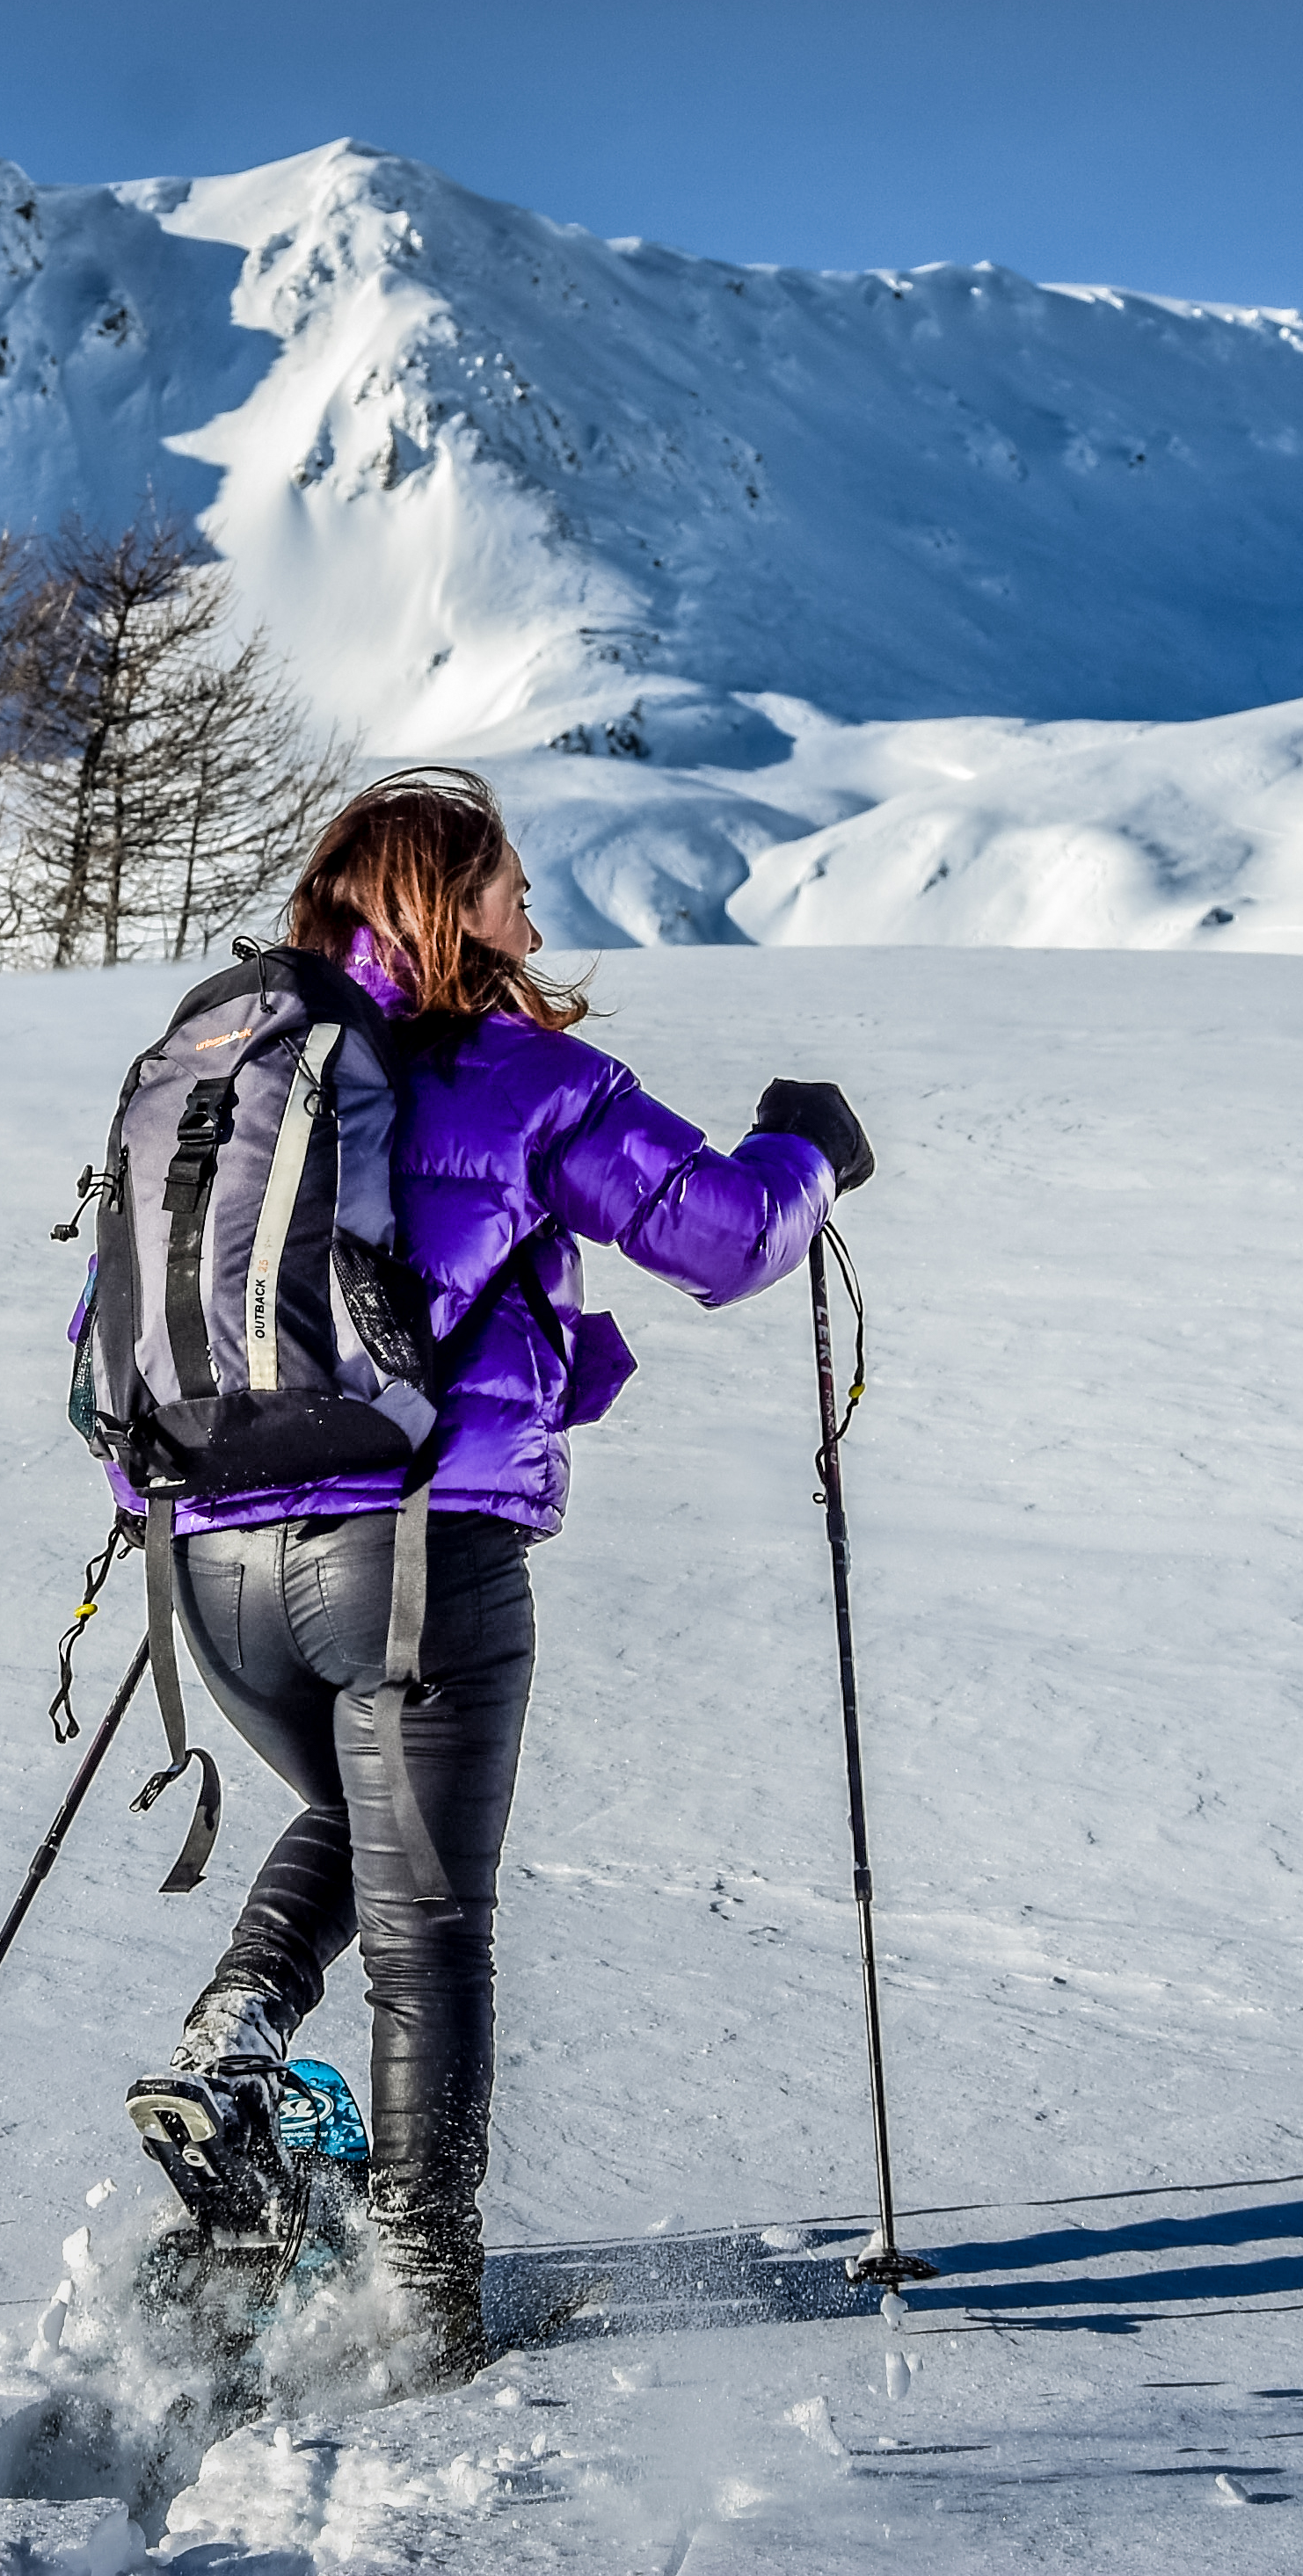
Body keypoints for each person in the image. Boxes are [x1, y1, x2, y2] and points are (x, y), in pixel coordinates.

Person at [141, 765, 871, 2379]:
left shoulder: (247, 1073)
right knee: (430, 1925)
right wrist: (808, 1148)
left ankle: (238, 2039)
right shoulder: (533, 1079)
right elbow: (726, 1235)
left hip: (207, 1565)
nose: (534, 914)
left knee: (353, 1822)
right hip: (407, 1561)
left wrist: (555, 1365)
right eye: (511, 888)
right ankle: (426, 2296)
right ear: (441, 903)